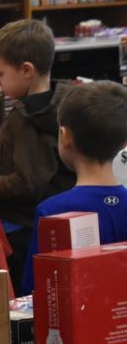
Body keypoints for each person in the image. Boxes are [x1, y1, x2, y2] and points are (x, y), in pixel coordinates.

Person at [0, 19, 74, 293]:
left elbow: (27, 184)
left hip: (20, 229)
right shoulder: (60, 104)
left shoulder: (29, 119)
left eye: (0, 74)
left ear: (26, 70)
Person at [21, 81, 127, 294]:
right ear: (124, 142)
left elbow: (35, 290)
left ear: (65, 136)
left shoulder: (53, 211)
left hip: (80, 324)